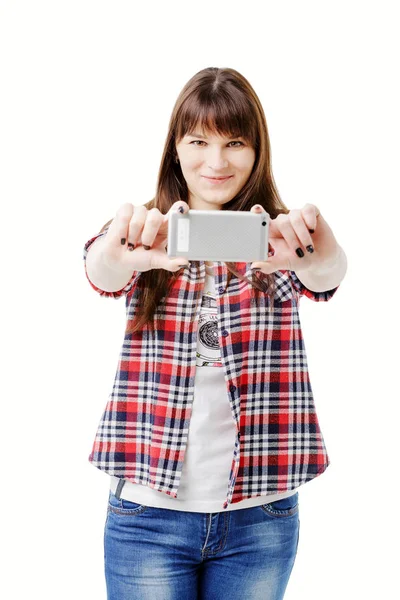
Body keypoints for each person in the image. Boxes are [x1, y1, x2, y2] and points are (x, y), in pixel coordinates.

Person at [83, 66, 347, 600]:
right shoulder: (145, 232)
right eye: (199, 140)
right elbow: (100, 271)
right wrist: (115, 251)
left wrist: (323, 251)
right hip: (147, 516)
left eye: (235, 142)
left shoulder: (282, 236)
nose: (217, 161)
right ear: (175, 149)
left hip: (260, 518)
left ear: (257, 151)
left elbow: (326, 276)